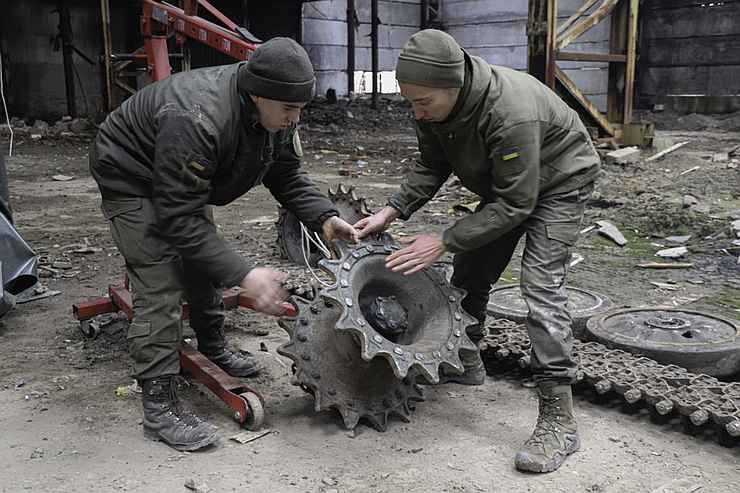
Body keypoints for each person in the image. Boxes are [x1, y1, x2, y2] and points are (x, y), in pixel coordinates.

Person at [90, 37, 357, 451]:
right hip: (132, 175)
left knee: (203, 261)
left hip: (180, 180)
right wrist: (245, 274)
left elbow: (285, 172)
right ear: (256, 94)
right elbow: (178, 219)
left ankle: (212, 344)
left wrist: (324, 215)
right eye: (289, 109)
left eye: (300, 109)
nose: (295, 118)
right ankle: (160, 408)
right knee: (160, 278)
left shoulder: (278, 110)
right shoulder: (197, 118)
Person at [354, 29, 600, 473]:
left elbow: (517, 205)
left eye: (423, 102)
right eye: (409, 101)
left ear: (456, 86)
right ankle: (467, 360)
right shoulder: (430, 101)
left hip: (559, 182)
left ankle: (558, 418)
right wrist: (392, 211)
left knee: (541, 290)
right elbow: (432, 164)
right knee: (471, 271)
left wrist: (444, 239)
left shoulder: (509, 113)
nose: (416, 111)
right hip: (507, 186)